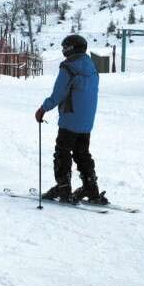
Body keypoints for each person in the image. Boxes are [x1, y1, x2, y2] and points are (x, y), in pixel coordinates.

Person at [34, 34, 107, 204]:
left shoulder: (69, 68)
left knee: (62, 151)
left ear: (71, 48)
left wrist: (43, 108)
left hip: (70, 117)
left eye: (65, 47)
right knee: (82, 153)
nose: (63, 50)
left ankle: (63, 187)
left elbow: (58, 93)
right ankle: (91, 187)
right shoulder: (91, 67)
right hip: (87, 120)